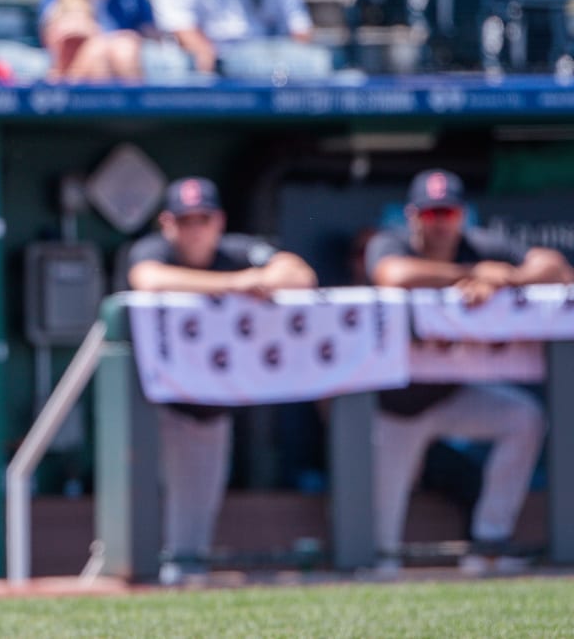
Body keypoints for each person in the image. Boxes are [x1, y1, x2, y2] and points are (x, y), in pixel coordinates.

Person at [365, 168, 573, 576]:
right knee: (379, 546)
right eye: (430, 214)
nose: (441, 223)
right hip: (396, 408)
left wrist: (508, 278)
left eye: (448, 213)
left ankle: (489, 544)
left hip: (451, 394)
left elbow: (554, 267)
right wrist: (472, 275)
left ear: (462, 214)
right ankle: (378, 570)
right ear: (412, 216)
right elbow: (393, 275)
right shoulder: (392, 243)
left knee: (524, 418)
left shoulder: (479, 244)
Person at [125, 176, 317, 583]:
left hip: (207, 404)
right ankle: (131, 578)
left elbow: (300, 273)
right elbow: (148, 278)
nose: (195, 229)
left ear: (219, 221)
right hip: (147, 402)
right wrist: (236, 284)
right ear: (167, 223)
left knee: (194, 515)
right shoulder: (153, 250)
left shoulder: (237, 250)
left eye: (203, 219)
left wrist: (263, 275)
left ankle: (182, 580)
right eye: (185, 220)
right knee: (136, 503)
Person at [150, 0, 313, 74]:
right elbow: (180, 27)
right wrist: (210, 58)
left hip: (268, 59)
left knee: (315, 62)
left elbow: (299, 30)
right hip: (210, 62)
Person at [38, 0, 157, 82]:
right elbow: (55, 39)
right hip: (75, 72)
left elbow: (148, 29)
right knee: (99, 51)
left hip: (127, 55)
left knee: (125, 48)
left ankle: (134, 99)